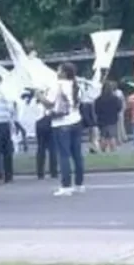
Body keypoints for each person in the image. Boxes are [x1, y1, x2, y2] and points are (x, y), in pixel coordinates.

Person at [37, 62, 85, 197]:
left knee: (64, 155)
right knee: (77, 154)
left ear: (64, 73)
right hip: (76, 120)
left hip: (61, 123)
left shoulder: (57, 85)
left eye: (58, 70)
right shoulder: (77, 86)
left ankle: (66, 186)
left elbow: (50, 103)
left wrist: (39, 96)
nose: (57, 72)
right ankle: (79, 184)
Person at [94, 81, 123, 152]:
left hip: (102, 120)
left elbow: (96, 110)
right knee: (112, 136)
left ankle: (103, 150)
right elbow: (119, 108)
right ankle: (113, 150)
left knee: (103, 136)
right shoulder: (115, 98)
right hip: (112, 119)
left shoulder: (98, 99)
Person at [34, 100, 58, 180]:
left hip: (40, 122)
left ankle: (40, 173)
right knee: (52, 149)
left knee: (41, 149)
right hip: (50, 122)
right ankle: (53, 172)